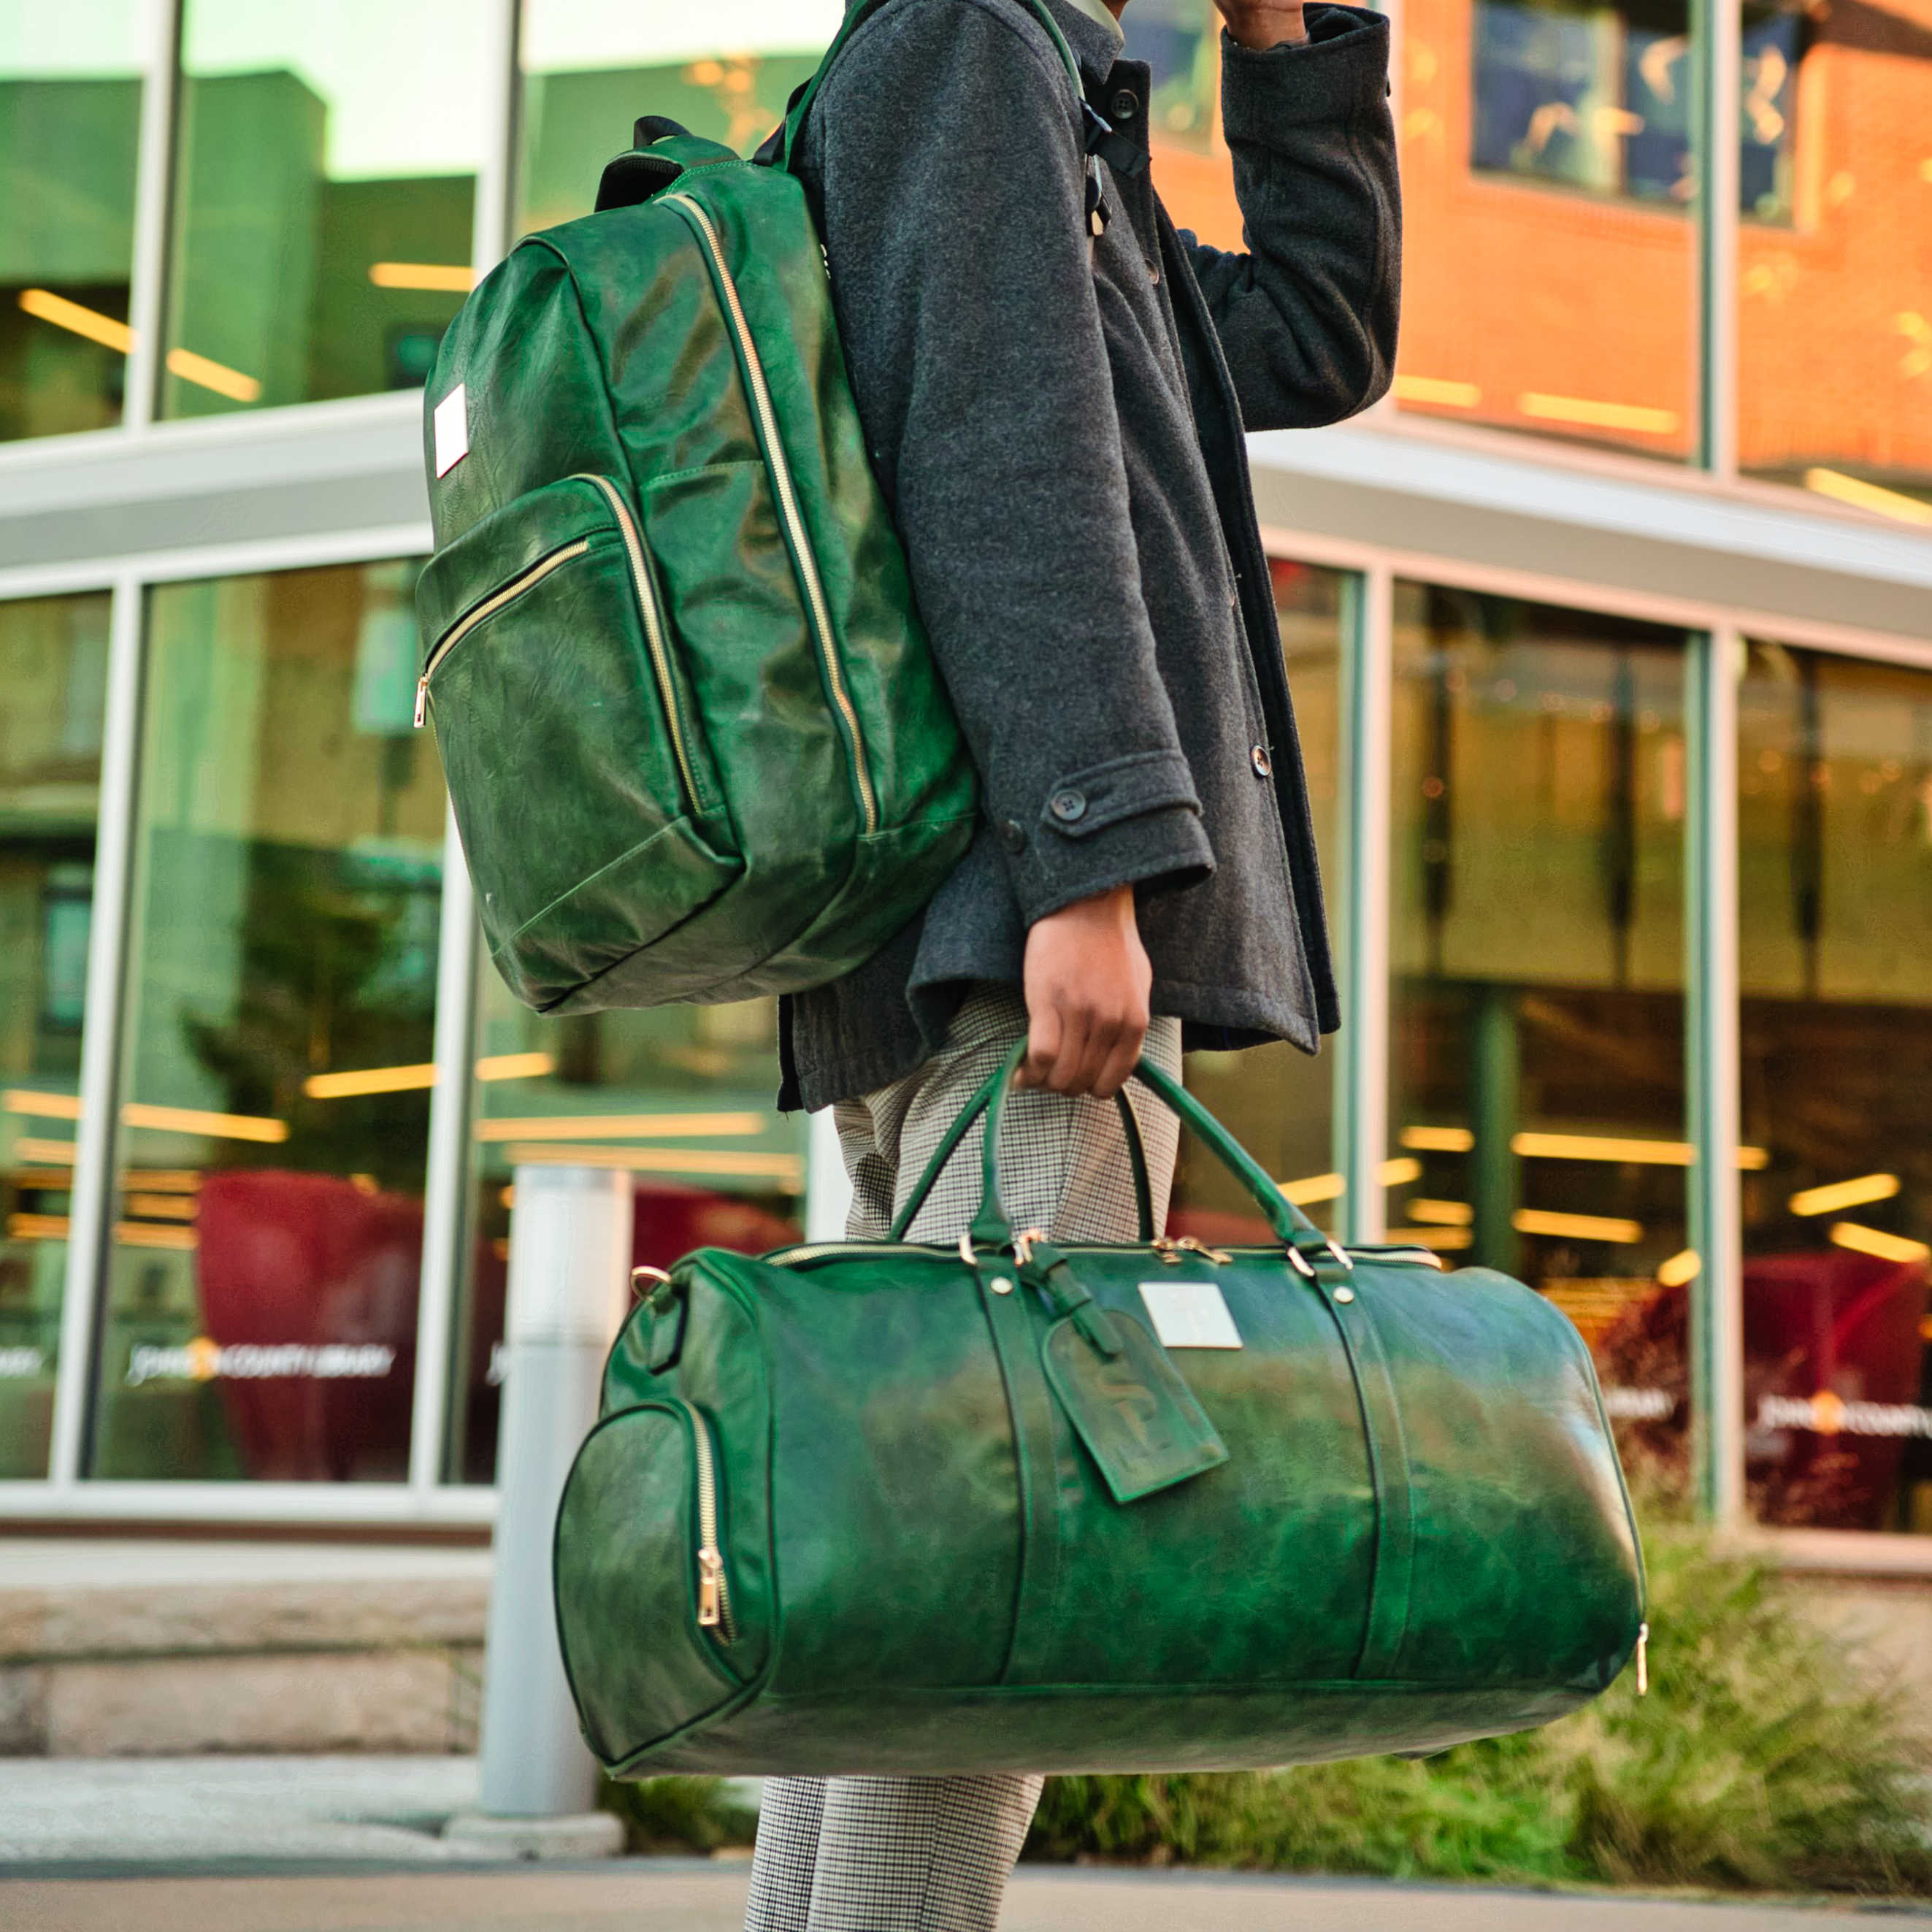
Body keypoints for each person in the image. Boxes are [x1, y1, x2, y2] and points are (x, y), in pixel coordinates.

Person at [748, 0, 1399, 1924]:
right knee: (1004, 1566)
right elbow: (1006, 452)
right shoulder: (969, 42)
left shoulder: (1026, 84)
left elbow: (1314, 337)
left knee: (919, 1555)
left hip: (962, 934)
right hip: (1010, 940)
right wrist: (1093, 865)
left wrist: (1295, 49)